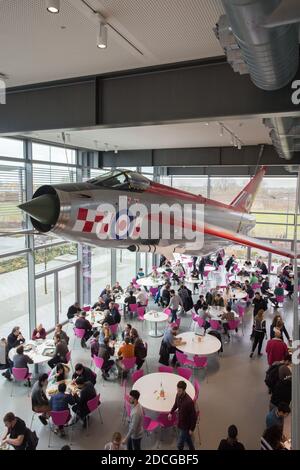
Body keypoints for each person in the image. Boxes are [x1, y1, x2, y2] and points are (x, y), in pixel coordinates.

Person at [168, 380, 197, 451]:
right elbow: (176, 404)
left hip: (186, 426)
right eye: (177, 390)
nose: (178, 392)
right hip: (180, 422)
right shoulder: (178, 395)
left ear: (184, 390)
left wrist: (191, 429)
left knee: (180, 444)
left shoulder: (189, 402)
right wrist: (171, 412)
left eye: (180, 391)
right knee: (188, 439)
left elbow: (194, 417)